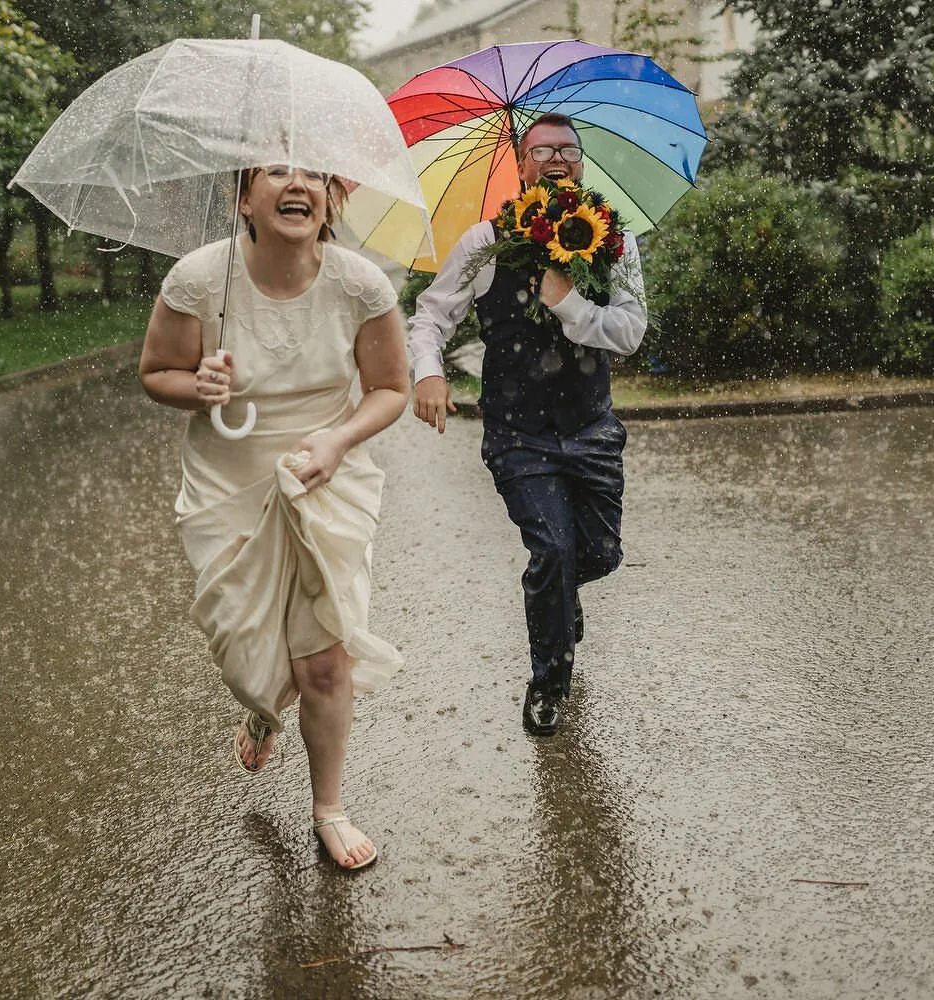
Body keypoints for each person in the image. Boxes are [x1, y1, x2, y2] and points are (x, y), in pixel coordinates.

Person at [139, 164, 410, 870]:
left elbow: (390, 388)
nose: (298, 185)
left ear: (330, 200)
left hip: (324, 481)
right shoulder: (199, 279)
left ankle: (330, 808)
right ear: (244, 199)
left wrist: (340, 439)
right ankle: (262, 710)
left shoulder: (360, 284)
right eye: (277, 172)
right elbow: (156, 372)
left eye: (313, 174)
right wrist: (197, 386)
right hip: (228, 487)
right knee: (246, 651)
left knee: (321, 659)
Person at [405, 113, 647, 737]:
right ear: (520, 164)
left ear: (582, 164)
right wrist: (428, 373)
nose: (557, 158)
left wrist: (568, 303)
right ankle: (548, 684)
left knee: (601, 554)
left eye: (568, 149)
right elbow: (431, 317)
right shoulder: (484, 243)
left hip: (592, 429)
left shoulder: (614, 242)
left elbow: (629, 332)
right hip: (519, 435)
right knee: (553, 549)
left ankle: (561, 595)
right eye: (542, 150)